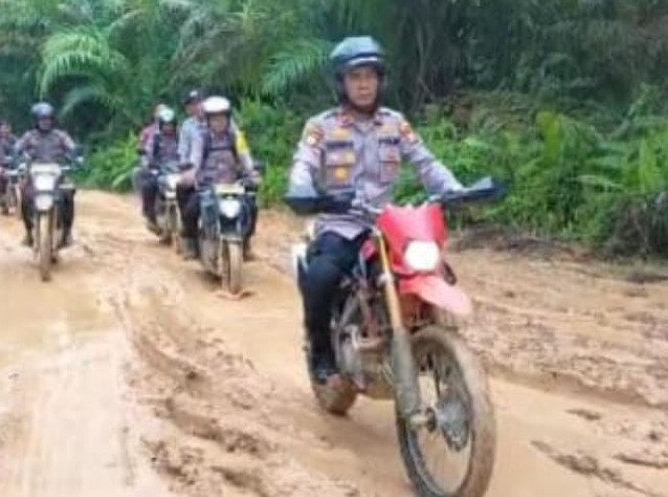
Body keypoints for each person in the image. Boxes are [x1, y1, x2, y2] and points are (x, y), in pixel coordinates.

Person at [284, 36, 465, 385]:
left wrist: (454, 190)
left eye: (370, 76)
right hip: (341, 224)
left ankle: (428, 343)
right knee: (320, 277)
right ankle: (321, 353)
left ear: (381, 80)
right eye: (355, 77)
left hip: (388, 225)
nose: (364, 84)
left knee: (430, 270)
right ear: (342, 83)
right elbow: (303, 164)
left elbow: (427, 164)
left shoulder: (395, 123)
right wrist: (303, 190)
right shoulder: (321, 126)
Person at [181, 96, 261, 260]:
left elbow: (245, 156)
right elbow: (195, 159)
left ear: (228, 118)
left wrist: (252, 173)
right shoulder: (201, 137)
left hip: (233, 184)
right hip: (208, 186)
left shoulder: (236, 136)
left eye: (222, 118)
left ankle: (245, 242)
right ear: (208, 120)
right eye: (214, 118)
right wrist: (190, 174)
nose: (219, 122)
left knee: (251, 207)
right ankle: (191, 242)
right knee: (191, 209)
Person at [14, 102, 79, 248]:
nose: (45, 122)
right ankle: (29, 232)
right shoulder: (29, 136)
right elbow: (18, 147)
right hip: (35, 173)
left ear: (52, 120)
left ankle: (67, 233)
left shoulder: (60, 136)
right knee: (24, 194)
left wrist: (76, 156)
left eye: (48, 119)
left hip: (57, 173)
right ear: (36, 121)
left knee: (68, 193)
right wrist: (16, 155)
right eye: (42, 119)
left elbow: (72, 147)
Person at [140, 106, 181, 232]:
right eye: (166, 125)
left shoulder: (181, 136)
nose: (168, 128)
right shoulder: (155, 137)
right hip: (161, 170)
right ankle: (151, 215)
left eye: (170, 125)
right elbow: (148, 152)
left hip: (179, 170)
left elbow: (188, 152)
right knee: (148, 186)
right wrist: (148, 163)